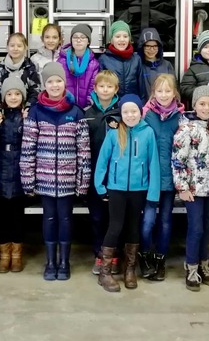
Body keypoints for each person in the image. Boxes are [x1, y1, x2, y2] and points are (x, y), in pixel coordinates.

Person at [20, 62, 91, 281]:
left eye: (58, 81)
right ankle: (50, 262)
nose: (54, 85)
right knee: (49, 218)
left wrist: (83, 181)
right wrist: (28, 180)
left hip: (69, 181)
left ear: (64, 83)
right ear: (45, 84)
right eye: (50, 81)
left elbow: (84, 150)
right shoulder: (36, 112)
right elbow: (28, 147)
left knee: (66, 219)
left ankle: (64, 262)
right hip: (45, 179)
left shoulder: (76, 112)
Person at [94, 94, 160, 292]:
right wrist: (100, 186)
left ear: (141, 112)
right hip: (116, 189)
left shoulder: (148, 133)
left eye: (134, 111)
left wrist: (153, 193)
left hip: (139, 190)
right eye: (126, 112)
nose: (130, 115)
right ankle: (105, 272)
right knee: (115, 227)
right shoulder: (114, 133)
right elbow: (103, 160)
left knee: (133, 228)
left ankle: (129, 269)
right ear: (120, 113)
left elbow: (153, 163)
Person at [172, 86, 209, 291]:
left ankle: (204, 265)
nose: (206, 107)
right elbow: (178, 160)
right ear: (194, 105)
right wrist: (182, 187)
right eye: (202, 103)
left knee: (207, 227)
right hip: (193, 189)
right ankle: (191, 267)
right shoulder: (186, 129)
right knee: (196, 229)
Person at [138, 74, 184, 282]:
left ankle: (160, 259)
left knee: (165, 221)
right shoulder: (145, 115)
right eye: (160, 91)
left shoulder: (180, 117)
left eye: (168, 91)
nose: (164, 95)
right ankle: (145, 256)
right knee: (147, 222)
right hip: (149, 180)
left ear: (174, 93)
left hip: (170, 179)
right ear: (153, 93)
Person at [84, 70, 121, 275]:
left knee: (114, 219)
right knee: (97, 217)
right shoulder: (87, 113)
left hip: (116, 176)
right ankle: (99, 255)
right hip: (93, 176)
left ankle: (114, 256)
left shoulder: (122, 113)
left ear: (116, 89)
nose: (105, 90)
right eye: (101, 86)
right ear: (95, 89)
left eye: (109, 86)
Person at [0, 77, 28, 273]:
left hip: (20, 171)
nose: (13, 97)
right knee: (3, 216)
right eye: (9, 94)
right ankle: (4, 255)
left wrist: (26, 122)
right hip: (1, 171)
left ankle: (17, 254)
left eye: (17, 94)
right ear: (3, 97)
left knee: (17, 216)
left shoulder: (26, 116)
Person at [0, 32, 41, 118]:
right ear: (7, 47)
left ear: (25, 48)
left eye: (19, 46)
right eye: (12, 45)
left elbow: (35, 90)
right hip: (4, 114)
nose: (15, 48)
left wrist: (29, 107)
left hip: (24, 114)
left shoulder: (30, 68)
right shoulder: (0, 68)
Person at [98, 20, 145, 99]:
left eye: (125, 36)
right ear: (111, 39)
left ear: (129, 39)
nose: (122, 39)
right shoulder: (104, 59)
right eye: (117, 36)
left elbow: (141, 86)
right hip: (111, 105)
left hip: (131, 105)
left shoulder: (136, 59)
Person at [57, 23, 100, 108]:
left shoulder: (94, 64)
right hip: (65, 107)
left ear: (88, 41)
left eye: (83, 37)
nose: (78, 40)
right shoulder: (61, 61)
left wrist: (89, 105)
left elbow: (92, 87)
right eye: (75, 37)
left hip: (86, 108)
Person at [138, 27, 175, 99]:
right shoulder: (138, 65)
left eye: (155, 46)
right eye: (148, 46)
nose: (151, 49)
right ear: (142, 47)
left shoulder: (167, 65)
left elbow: (173, 88)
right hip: (144, 107)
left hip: (164, 105)